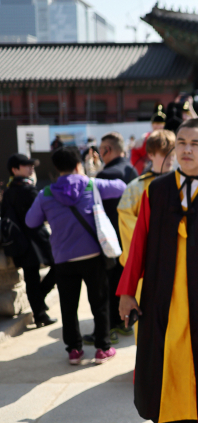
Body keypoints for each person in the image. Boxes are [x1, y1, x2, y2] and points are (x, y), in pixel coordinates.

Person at [117, 118, 198, 423]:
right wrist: (126, 291)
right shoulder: (156, 190)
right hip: (161, 295)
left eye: (195, 143)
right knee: (164, 357)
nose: (187, 149)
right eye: (181, 143)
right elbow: (138, 246)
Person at [26, 147, 126, 365]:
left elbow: (30, 222)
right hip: (93, 256)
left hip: (63, 259)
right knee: (99, 303)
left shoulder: (46, 195)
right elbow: (121, 187)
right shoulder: (91, 184)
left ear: (56, 168)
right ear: (78, 164)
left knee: (68, 306)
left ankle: (74, 351)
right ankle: (102, 349)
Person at [116, 130, 176, 341]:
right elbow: (126, 222)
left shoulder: (184, 185)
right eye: (164, 153)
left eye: (172, 152)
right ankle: (146, 367)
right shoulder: (135, 188)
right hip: (147, 267)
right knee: (146, 317)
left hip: (178, 263)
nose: (171, 158)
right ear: (151, 154)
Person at [81, 132, 138, 346]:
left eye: (101, 149)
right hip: (130, 238)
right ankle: (126, 322)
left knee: (106, 287)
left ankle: (106, 330)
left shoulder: (106, 176)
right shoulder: (132, 170)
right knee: (126, 281)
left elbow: (97, 211)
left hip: (110, 241)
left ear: (108, 150)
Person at [1, 154, 57, 327]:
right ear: (15, 169)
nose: (31, 168)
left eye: (32, 165)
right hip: (35, 241)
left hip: (20, 244)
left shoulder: (9, 191)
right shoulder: (28, 189)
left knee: (31, 279)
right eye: (27, 165)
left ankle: (39, 312)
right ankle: (40, 309)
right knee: (58, 268)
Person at [131, 104, 165, 175]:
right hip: (148, 171)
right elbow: (134, 154)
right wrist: (143, 164)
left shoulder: (170, 138)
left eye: (160, 123)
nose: (158, 125)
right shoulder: (144, 138)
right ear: (152, 124)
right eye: (156, 123)